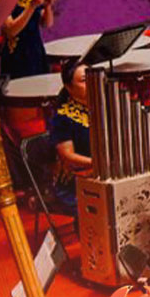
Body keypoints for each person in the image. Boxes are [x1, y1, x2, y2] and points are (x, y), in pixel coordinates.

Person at [47, 64, 92, 210]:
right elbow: (68, 156)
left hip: (105, 174)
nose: (91, 83)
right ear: (69, 87)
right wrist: (98, 164)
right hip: (75, 183)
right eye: (84, 80)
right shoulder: (62, 117)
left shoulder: (106, 107)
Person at [0, 0, 55, 78]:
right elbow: (10, 31)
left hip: (35, 50)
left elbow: (47, 23)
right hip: (16, 56)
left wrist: (48, 5)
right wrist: (31, 7)